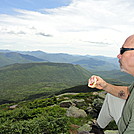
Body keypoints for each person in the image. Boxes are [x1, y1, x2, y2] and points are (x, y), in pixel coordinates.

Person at [80, 34, 134, 134]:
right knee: (111, 96)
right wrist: (105, 85)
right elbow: (127, 93)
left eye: (122, 51)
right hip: (126, 119)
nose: (118, 55)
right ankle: (97, 129)